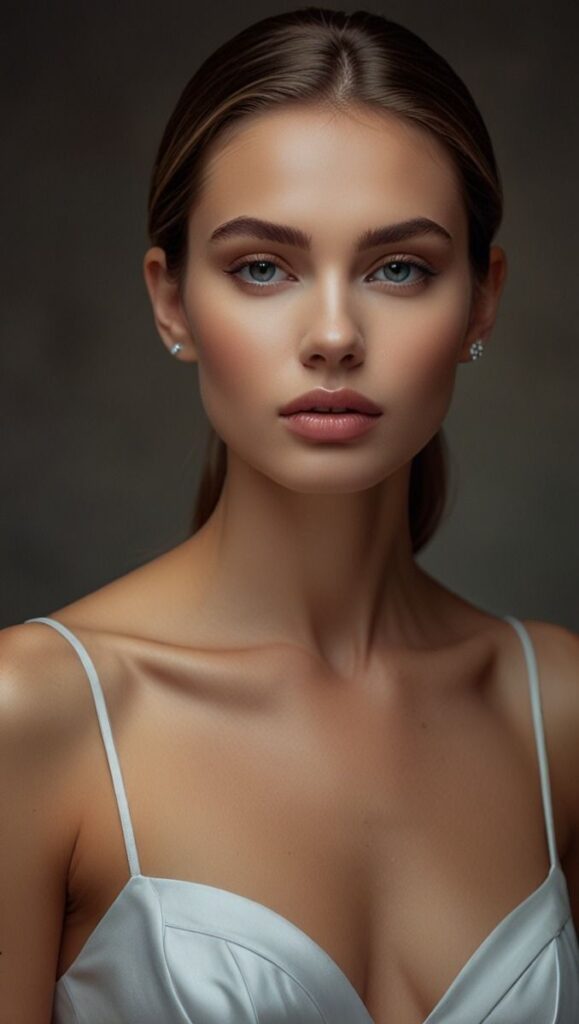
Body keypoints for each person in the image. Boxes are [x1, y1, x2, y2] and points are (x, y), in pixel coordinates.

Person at [2, 8, 578, 1023]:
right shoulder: (34, 717)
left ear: (482, 301)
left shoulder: (559, 713)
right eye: (261, 266)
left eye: (399, 267)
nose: (332, 334)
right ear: (171, 299)